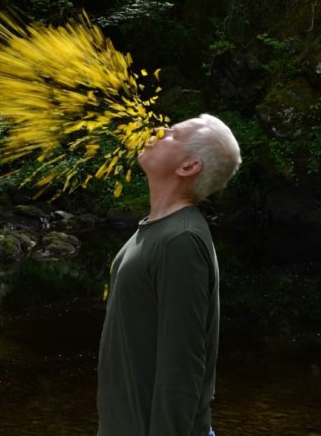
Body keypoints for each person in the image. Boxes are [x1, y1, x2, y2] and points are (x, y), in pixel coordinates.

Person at [96, 113, 242, 436]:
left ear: (188, 167)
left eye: (174, 135)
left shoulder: (182, 241)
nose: (160, 130)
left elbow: (182, 369)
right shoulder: (157, 229)